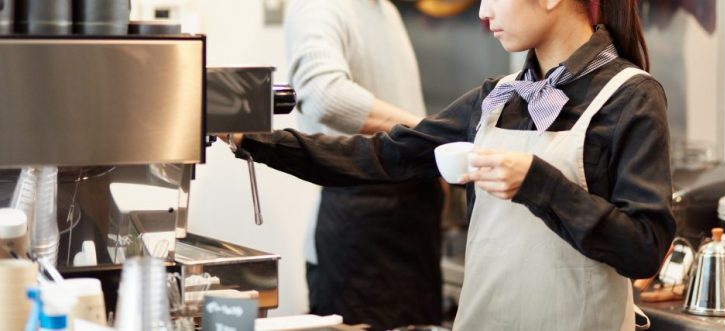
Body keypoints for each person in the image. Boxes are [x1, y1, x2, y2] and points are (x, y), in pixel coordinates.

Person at [232, 0, 675, 329]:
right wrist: (254, 140)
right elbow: (377, 156)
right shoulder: (496, 97)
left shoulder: (632, 96)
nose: (483, 12)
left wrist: (539, 183)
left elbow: (643, 250)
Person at [282, 0, 444, 329]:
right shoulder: (319, 6)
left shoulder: (384, 9)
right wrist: (432, 134)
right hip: (360, 240)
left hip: (411, 229)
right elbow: (322, 94)